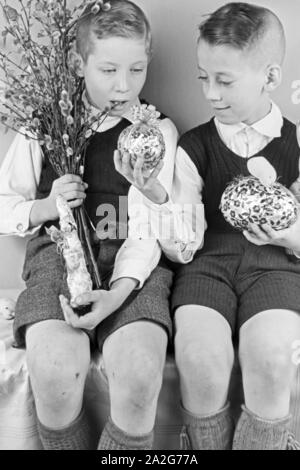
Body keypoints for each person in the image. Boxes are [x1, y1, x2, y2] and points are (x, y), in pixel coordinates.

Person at [115, 2, 300, 450]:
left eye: (225, 80)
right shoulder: (194, 146)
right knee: (199, 359)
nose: (211, 93)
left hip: (277, 269)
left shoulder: (294, 144)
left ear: (270, 79)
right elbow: (183, 247)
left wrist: (287, 235)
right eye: (203, 77)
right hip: (206, 268)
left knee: (273, 359)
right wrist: (158, 197)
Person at [0, 0, 178, 450]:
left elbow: (147, 229)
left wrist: (119, 290)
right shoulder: (43, 125)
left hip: (132, 269)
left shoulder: (157, 131)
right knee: (54, 373)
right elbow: (5, 207)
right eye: (108, 70)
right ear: (79, 65)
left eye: (137, 70)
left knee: (138, 377)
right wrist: (46, 205)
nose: (124, 85)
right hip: (57, 261)